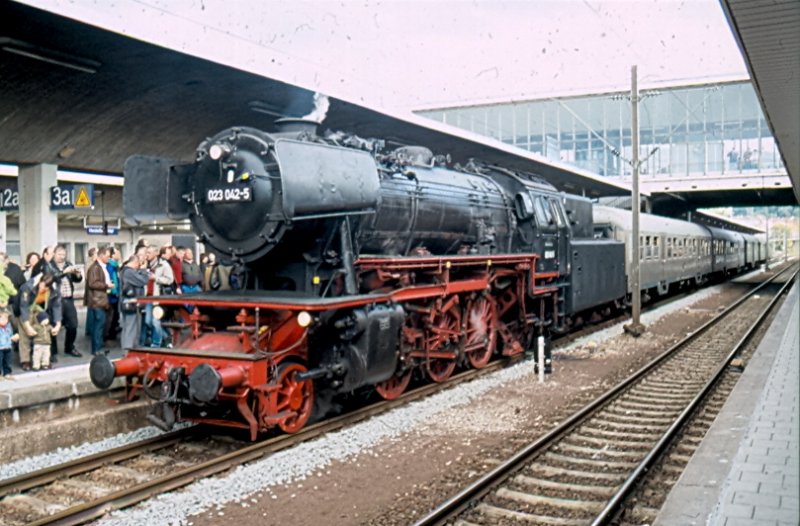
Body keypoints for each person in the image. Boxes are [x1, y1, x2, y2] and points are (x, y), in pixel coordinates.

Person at [18, 271, 62, 371]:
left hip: (41, 311)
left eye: (44, 288)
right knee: (25, 334)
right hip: (27, 310)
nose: (41, 289)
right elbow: (23, 306)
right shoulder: (28, 286)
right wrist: (27, 325)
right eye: (41, 286)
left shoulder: (55, 290)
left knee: (43, 333)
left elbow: (57, 306)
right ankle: (25, 360)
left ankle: (44, 360)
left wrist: (58, 324)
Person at [52, 245, 83, 358]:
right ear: (54, 254)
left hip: (68, 298)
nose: (62, 257)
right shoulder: (50, 265)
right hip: (55, 300)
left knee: (73, 325)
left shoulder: (68, 264)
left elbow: (77, 280)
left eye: (63, 254)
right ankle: (52, 351)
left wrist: (77, 274)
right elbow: (53, 278)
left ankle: (69, 347)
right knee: (54, 325)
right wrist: (64, 272)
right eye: (59, 254)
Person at [140, 245, 174, 348]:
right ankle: (166, 337)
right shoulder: (146, 265)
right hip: (148, 297)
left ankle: (156, 343)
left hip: (158, 297)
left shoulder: (164, 265)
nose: (147, 255)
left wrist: (156, 278)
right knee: (148, 321)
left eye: (149, 253)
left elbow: (170, 279)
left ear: (156, 253)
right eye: (146, 252)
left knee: (155, 321)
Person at [86, 247, 113, 356]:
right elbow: (92, 283)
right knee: (98, 325)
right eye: (107, 256)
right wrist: (106, 285)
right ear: (101, 255)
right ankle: (96, 349)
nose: (109, 258)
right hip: (97, 300)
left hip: (101, 299)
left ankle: (99, 347)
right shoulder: (95, 268)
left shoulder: (102, 267)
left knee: (101, 324)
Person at [118, 255, 149, 350]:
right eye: (139, 263)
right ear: (135, 262)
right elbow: (143, 281)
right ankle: (128, 349)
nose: (139, 266)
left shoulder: (125, 271)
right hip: (130, 302)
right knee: (130, 327)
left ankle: (130, 347)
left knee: (130, 326)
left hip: (129, 302)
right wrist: (143, 270)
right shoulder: (128, 272)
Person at [105, 247, 121, 341]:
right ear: (112, 255)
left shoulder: (115, 265)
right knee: (112, 315)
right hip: (112, 295)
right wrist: (115, 292)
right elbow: (112, 280)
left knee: (115, 314)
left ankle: (112, 331)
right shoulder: (110, 266)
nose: (119, 255)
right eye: (117, 253)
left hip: (115, 294)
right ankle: (109, 333)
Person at [0, 308, 19, 380]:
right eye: (2, 318)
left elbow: (10, 334)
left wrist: (14, 337)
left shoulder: (8, 326)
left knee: (8, 361)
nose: (5, 320)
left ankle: (7, 373)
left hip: (8, 346)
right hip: (0, 347)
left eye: (6, 318)